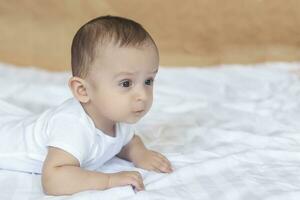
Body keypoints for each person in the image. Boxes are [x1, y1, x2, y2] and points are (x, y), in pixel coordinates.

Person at [0, 15, 173, 195]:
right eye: (126, 83)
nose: (142, 95)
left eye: (148, 81)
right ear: (83, 90)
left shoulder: (117, 118)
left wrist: (140, 154)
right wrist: (109, 180)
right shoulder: (72, 125)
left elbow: (127, 142)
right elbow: (53, 180)